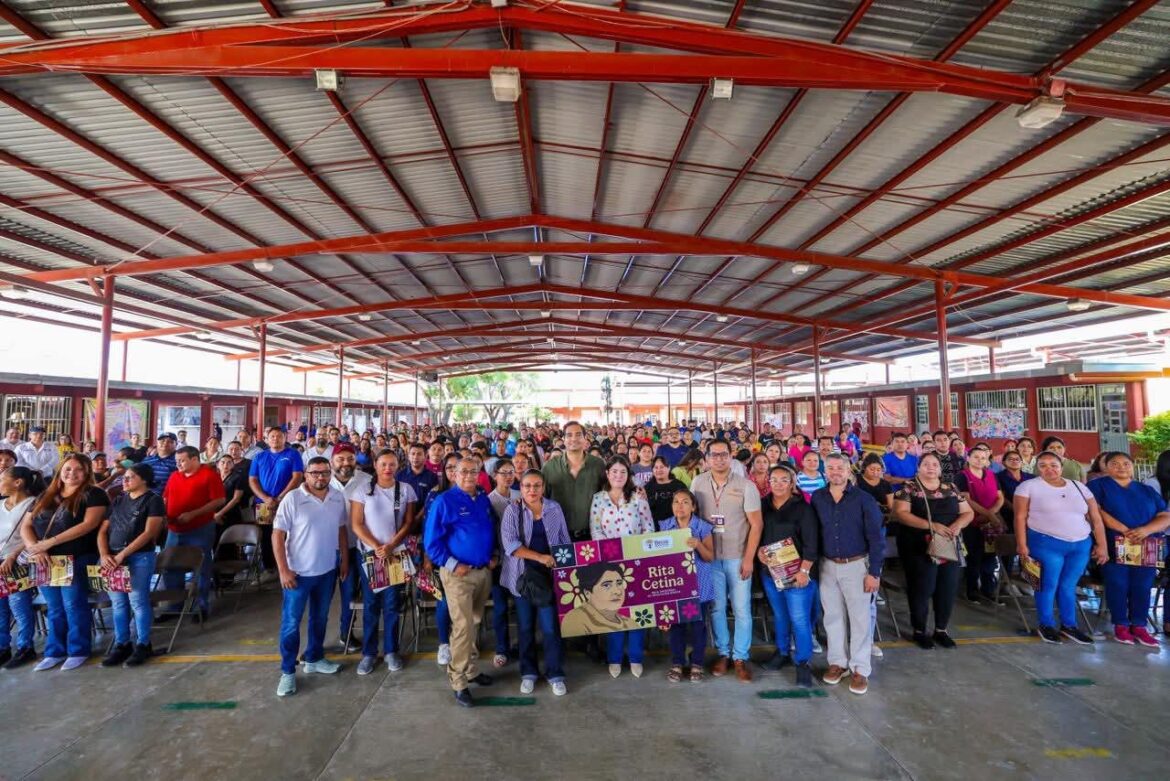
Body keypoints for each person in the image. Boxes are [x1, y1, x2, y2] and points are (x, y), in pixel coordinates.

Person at [19, 453, 108, 671]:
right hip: (46, 561)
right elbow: (26, 526)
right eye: (67, 469)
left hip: (76, 558)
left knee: (73, 605)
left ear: (86, 472)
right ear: (60, 471)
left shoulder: (94, 494)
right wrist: (35, 547)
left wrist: (50, 542)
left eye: (78, 469)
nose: (72, 473)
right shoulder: (46, 495)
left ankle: (78, 650)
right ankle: (55, 651)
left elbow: (88, 525)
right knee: (54, 607)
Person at [424, 457, 498, 707]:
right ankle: (458, 681)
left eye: (473, 471)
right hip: (458, 576)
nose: (468, 476)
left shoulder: (483, 498)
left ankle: (471, 670)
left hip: (482, 572)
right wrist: (454, 564)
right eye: (463, 471)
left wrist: (494, 555)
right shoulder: (444, 501)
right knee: (463, 626)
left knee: (474, 622)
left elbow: (490, 529)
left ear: (479, 474)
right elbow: (432, 543)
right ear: (454, 474)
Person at [272, 456, 348, 696]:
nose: (320, 477)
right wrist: (283, 570)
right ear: (306, 475)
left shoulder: (337, 497)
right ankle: (288, 672)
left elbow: (341, 529)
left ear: (330, 474)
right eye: (315, 473)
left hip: (326, 570)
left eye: (325, 472)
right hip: (298, 574)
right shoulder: (293, 498)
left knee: (320, 618)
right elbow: (277, 535)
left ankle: (314, 657)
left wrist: (344, 559)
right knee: (291, 623)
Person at [1014, 451, 1108, 644]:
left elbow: (1095, 518)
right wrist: (1022, 544)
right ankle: (1046, 624)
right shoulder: (1028, 486)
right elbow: (1020, 517)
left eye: (1054, 465)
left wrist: (1102, 545)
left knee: (1068, 585)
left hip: (1080, 544)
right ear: (1037, 468)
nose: (1049, 469)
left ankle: (1069, 625)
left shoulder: (1079, 486)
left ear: (1061, 466)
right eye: (1043, 465)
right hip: (1045, 543)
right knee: (1048, 584)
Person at [689, 439, 763, 682]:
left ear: (731, 457)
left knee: (741, 608)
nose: (719, 459)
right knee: (717, 608)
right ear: (707, 458)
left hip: (737, 557)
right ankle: (723, 653)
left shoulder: (746, 486)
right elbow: (691, 517)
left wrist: (749, 559)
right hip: (710, 558)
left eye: (724, 454)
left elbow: (756, 525)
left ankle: (740, 656)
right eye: (714, 455)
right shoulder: (698, 483)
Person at [811, 454, 884, 695]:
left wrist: (874, 572)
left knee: (860, 618)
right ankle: (838, 663)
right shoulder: (818, 498)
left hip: (856, 565)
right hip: (827, 565)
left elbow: (876, 538)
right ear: (825, 471)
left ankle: (860, 669)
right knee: (832, 617)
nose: (835, 472)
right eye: (830, 468)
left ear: (848, 471)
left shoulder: (864, 499)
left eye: (840, 468)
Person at [892, 453, 975, 650]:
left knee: (947, 587)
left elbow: (968, 512)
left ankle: (941, 630)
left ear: (940, 468)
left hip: (948, 544)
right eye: (926, 464)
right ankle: (920, 630)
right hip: (918, 546)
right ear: (918, 467)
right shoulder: (909, 488)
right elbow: (901, 514)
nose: (931, 467)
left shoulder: (950, 487)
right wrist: (932, 526)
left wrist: (958, 525)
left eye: (935, 464)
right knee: (922, 588)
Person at [1088, 451, 1170, 647]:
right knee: (1118, 584)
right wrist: (1124, 530)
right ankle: (1121, 626)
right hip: (1114, 543)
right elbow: (1095, 511)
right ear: (1106, 467)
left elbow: (1165, 516)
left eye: (1126, 463)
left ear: (1132, 467)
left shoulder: (1146, 490)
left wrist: (1145, 530)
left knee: (1142, 586)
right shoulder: (1097, 486)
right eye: (1115, 464)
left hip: (1146, 544)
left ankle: (1139, 626)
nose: (1121, 467)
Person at [500, 469, 570, 696]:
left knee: (550, 628)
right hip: (522, 578)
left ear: (543, 487)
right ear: (520, 488)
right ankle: (528, 673)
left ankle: (555, 674)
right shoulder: (513, 510)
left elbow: (564, 540)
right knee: (526, 627)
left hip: (549, 578)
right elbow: (511, 546)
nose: (532, 490)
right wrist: (540, 557)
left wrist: (564, 569)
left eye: (537, 485)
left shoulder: (554, 508)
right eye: (527, 486)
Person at [351, 449, 417, 674]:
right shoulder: (363, 490)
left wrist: (390, 546)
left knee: (392, 604)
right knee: (371, 604)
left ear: (398, 466)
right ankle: (369, 653)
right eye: (383, 464)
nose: (388, 468)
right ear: (375, 465)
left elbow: (408, 522)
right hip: (370, 555)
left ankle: (391, 650)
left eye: (392, 464)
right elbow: (357, 523)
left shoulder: (405, 489)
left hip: (394, 555)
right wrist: (376, 546)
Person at [589, 456, 655, 678]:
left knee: (637, 610)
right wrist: (610, 555)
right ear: (607, 473)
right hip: (609, 566)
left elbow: (648, 526)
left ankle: (635, 657)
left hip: (636, 562)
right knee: (612, 610)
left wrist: (638, 551)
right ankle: (615, 658)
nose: (618, 476)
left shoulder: (637, 496)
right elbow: (595, 530)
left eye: (623, 472)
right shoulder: (598, 499)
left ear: (629, 475)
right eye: (614, 471)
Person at [96, 463, 165, 667]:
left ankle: (143, 644)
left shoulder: (153, 500)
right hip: (112, 559)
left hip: (139, 557)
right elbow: (103, 531)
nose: (125, 480)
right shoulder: (118, 500)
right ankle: (122, 644)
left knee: (138, 601)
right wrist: (104, 554)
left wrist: (123, 555)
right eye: (124, 477)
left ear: (144, 479)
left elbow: (149, 533)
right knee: (118, 603)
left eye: (130, 477)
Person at [758, 465, 818, 687]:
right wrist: (758, 552)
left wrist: (804, 571)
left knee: (799, 619)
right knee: (780, 615)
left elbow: (812, 543)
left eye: (784, 480)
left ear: (792, 483)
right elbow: (757, 534)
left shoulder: (803, 508)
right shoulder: (763, 505)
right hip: (771, 572)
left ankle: (803, 662)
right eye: (774, 479)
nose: (778, 484)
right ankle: (782, 652)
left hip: (797, 574)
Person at [160, 446, 226, 622]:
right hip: (174, 529)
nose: (178, 464)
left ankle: (201, 605)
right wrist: (163, 514)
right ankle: (175, 606)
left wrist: (194, 514)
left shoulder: (209, 475)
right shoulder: (174, 476)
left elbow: (219, 500)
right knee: (170, 566)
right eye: (177, 461)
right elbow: (166, 497)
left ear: (195, 459)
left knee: (201, 567)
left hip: (200, 528)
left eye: (182, 461)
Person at [0, 466, 44, 668]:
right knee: (1, 608)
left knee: (18, 605)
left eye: (2, 479)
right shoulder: (1, 505)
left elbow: (33, 535)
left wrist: (12, 556)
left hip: (17, 562)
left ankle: (25, 647)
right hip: (0, 561)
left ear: (18, 483)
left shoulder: (33, 504)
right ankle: (3, 647)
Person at [328, 443, 369, 647]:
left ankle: (346, 634)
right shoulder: (322, 480)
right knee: (322, 597)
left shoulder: (366, 481)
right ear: (332, 461)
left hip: (357, 546)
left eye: (350, 459)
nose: (346, 463)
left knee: (350, 593)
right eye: (341, 459)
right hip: (327, 548)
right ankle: (315, 644)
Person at [955, 445, 1006, 602]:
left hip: (991, 524)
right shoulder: (962, 476)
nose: (979, 460)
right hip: (972, 522)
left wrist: (991, 515)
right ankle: (972, 590)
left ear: (987, 461)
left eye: (983, 458)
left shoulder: (992, 475)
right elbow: (966, 499)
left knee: (990, 558)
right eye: (976, 457)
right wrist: (989, 515)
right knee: (974, 557)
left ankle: (988, 589)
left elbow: (1000, 497)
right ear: (968, 458)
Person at [249, 427, 304, 570]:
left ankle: (288, 567)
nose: (275, 439)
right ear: (267, 439)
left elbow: (297, 477)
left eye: (279, 436)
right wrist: (265, 498)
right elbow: (252, 480)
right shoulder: (259, 457)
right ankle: (269, 568)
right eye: (272, 436)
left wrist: (280, 498)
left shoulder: (293, 454)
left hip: (287, 502)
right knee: (266, 536)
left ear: (285, 438)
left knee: (288, 534)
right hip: (263, 504)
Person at [542, 421, 606, 541]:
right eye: (569, 435)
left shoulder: (598, 465)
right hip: (559, 535)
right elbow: (542, 500)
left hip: (592, 535)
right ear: (563, 439)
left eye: (578, 434)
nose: (574, 439)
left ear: (585, 438)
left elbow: (608, 495)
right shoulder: (549, 467)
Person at [486, 458, 520, 668]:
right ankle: (501, 649)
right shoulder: (488, 501)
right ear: (494, 476)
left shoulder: (520, 495)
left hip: (519, 561)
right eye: (504, 473)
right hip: (499, 562)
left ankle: (524, 645)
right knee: (500, 608)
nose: (508, 477)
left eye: (511, 472)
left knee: (521, 606)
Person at [643, 456, 686, 530]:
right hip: (654, 528)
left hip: (676, 527)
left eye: (662, 467)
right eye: (656, 467)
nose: (658, 470)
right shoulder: (647, 488)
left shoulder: (679, 485)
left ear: (669, 467)